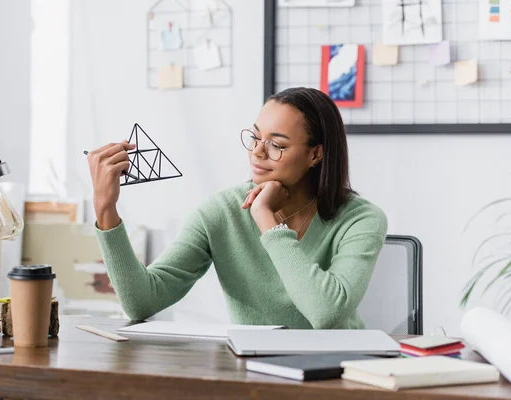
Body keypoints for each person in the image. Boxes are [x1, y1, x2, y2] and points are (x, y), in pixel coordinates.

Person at [87, 87, 387, 329]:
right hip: (254, 374)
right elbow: (142, 302)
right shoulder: (220, 212)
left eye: (276, 145)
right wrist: (106, 209)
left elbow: (325, 314)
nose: (256, 152)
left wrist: (267, 220)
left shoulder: (361, 219)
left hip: (338, 374)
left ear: (315, 155)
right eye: (256, 137)